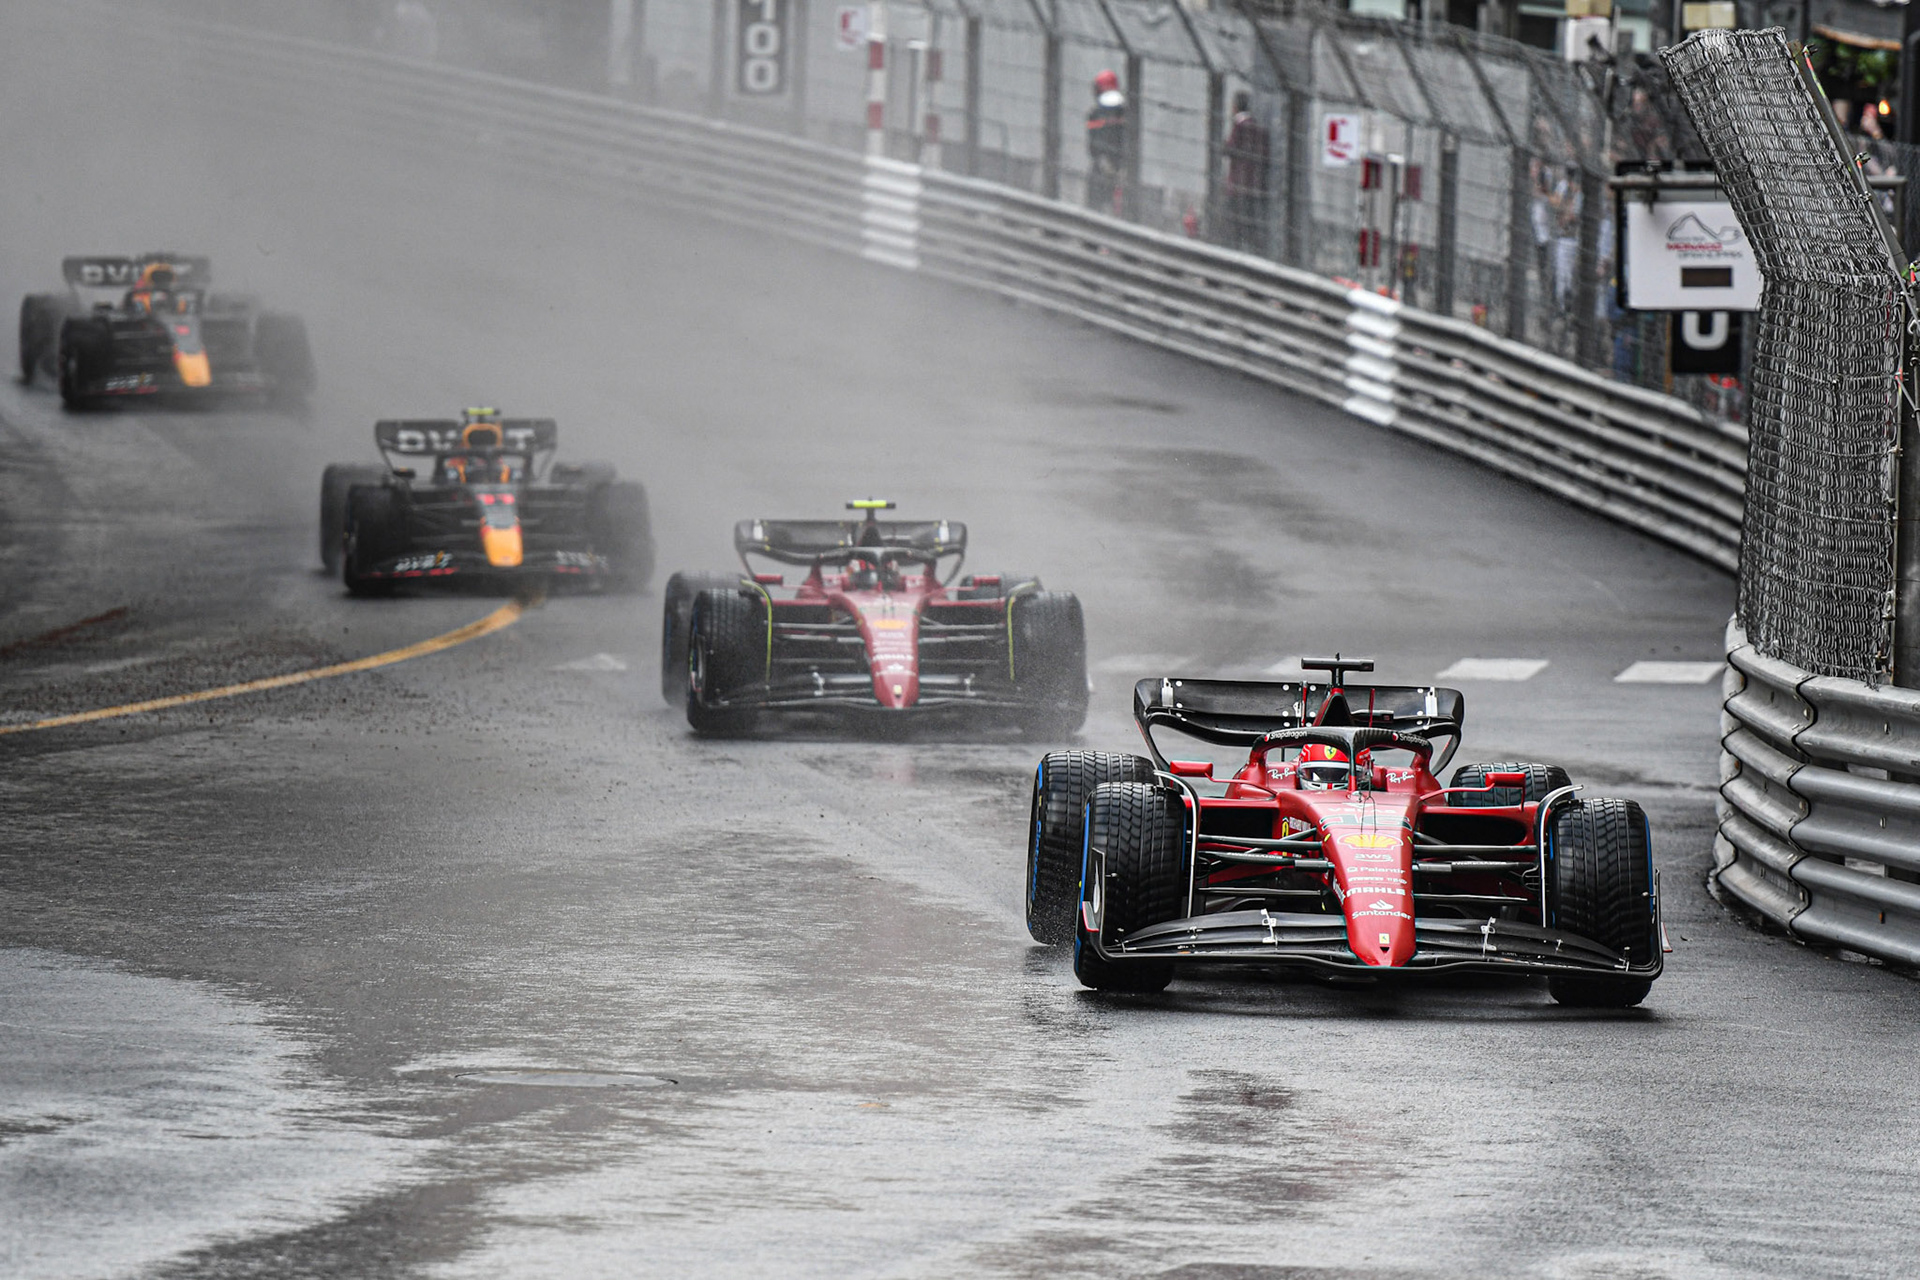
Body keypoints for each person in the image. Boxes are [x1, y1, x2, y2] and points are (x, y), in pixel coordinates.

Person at [1221, 91, 1271, 254]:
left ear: (1235, 107)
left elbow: (1230, 148)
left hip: (1237, 186)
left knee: (1233, 224)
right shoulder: (1258, 128)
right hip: (1255, 186)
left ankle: (1234, 252)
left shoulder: (1239, 127)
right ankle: (1252, 252)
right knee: (1250, 224)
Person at [1085, 69, 1127, 215]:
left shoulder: (1099, 114)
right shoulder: (1122, 113)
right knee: (1096, 204)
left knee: (1108, 204)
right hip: (1106, 165)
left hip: (1112, 166)